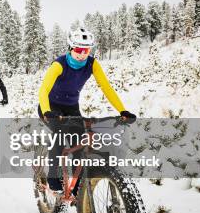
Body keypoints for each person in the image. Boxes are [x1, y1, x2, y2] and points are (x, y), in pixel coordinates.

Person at [37, 28, 136, 191]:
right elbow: (44, 89)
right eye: (78, 50)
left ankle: (77, 187)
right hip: (50, 107)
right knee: (60, 136)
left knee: (80, 143)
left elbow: (107, 88)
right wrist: (47, 111)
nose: (82, 54)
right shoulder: (59, 65)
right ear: (70, 48)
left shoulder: (92, 64)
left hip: (71, 108)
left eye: (86, 50)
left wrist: (122, 111)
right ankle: (53, 176)